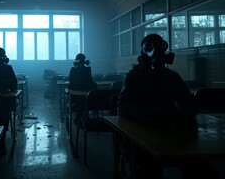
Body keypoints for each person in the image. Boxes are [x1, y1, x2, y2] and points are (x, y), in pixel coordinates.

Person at [118, 33, 219, 179]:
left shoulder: (171, 77)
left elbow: (190, 104)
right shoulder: (134, 77)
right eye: (150, 47)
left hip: (170, 135)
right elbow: (122, 107)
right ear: (142, 54)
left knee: (204, 172)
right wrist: (152, 113)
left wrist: (179, 115)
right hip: (140, 136)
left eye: (160, 47)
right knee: (149, 170)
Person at [67, 53, 97, 124]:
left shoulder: (73, 70)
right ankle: (82, 116)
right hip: (87, 95)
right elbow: (90, 81)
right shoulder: (88, 70)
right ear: (85, 61)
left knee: (77, 100)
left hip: (75, 96)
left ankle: (79, 115)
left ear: (76, 61)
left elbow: (70, 82)